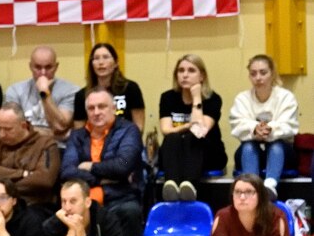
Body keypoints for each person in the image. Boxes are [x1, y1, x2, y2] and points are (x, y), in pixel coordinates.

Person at [62, 86, 146, 236]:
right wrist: (103, 178)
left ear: (113, 108)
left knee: (130, 212)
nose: (96, 112)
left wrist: (90, 166)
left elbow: (123, 166)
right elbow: (67, 172)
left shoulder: (129, 130)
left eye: (102, 106)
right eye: (91, 108)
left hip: (120, 197)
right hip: (84, 201)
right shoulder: (77, 136)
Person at [158, 53, 226, 202]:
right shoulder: (168, 97)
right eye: (181, 70)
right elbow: (166, 130)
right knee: (172, 138)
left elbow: (200, 130)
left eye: (191, 70)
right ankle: (171, 186)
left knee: (192, 137)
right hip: (177, 153)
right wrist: (188, 125)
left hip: (208, 153)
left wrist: (196, 97)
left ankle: (190, 186)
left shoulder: (213, 99)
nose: (185, 75)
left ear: (202, 76)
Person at [229, 54, 299, 193]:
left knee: (276, 146)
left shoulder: (286, 97)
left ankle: (269, 188)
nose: (258, 77)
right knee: (248, 147)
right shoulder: (242, 99)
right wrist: (254, 129)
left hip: (282, 152)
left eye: (263, 72)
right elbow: (237, 125)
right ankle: (251, 188)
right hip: (252, 150)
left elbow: (289, 125)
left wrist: (269, 129)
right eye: (253, 73)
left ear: (272, 74)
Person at [0, 103, 60, 212]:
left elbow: (44, 180)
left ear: (23, 125)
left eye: (8, 129)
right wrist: (23, 173)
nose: (2, 134)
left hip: (33, 205)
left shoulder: (45, 144)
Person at [3, 46, 78, 144]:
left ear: (56, 67)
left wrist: (44, 93)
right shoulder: (15, 90)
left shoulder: (71, 91)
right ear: (30, 66)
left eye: (48, 67)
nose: (43, 73)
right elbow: (11, 128)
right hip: (23, 145)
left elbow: (59, 127)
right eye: (38, 67)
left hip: (57, 147)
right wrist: (53, 134)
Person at [72, 42, 147, 130]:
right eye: (96, 58)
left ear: (116, 63)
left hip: (125, 136)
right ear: (91, 64)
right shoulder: (81, 95)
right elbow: (79, 130)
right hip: (94, 137)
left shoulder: (131, 88)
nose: (101, 62)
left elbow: (138, 126)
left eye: (106, 57)